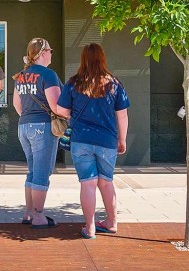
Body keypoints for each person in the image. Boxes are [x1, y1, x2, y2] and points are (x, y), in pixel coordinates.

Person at [57, 43, 130, 240]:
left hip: (81, 140)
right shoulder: (114, 84)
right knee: (106, 183)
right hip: (107, 141)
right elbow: (122, 116)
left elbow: (61, 111)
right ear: (102, 58)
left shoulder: (73, 83)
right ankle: (111, 222)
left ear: (83, 59)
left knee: (88, 184)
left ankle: (90, 228)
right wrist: (122, 139)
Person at [12, 37, 61, 228]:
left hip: (24, 125)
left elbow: (18, 105)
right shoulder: (48, 75)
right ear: (42, 53)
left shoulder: (21, 75)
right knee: (42, 173)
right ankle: (39, 216)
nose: (51, 53)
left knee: (32, 171)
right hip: (42, 127)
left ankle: (29, 213)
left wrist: (29, 118)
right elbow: (56, 107)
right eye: (50, 50)